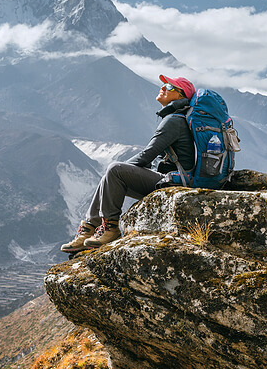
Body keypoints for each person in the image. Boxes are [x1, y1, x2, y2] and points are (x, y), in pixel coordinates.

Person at [61, 74, 196, 253]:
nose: (163, 88)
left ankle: (110, 228)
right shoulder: (176, 118)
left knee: (114, 171)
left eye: (170, 87)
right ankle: (89, 228)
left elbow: (147, 155)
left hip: (176, 182)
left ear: (181, 96)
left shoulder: (174, 121)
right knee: (112, 174)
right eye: (163, 84)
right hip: (174, 179)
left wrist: (117, 172)